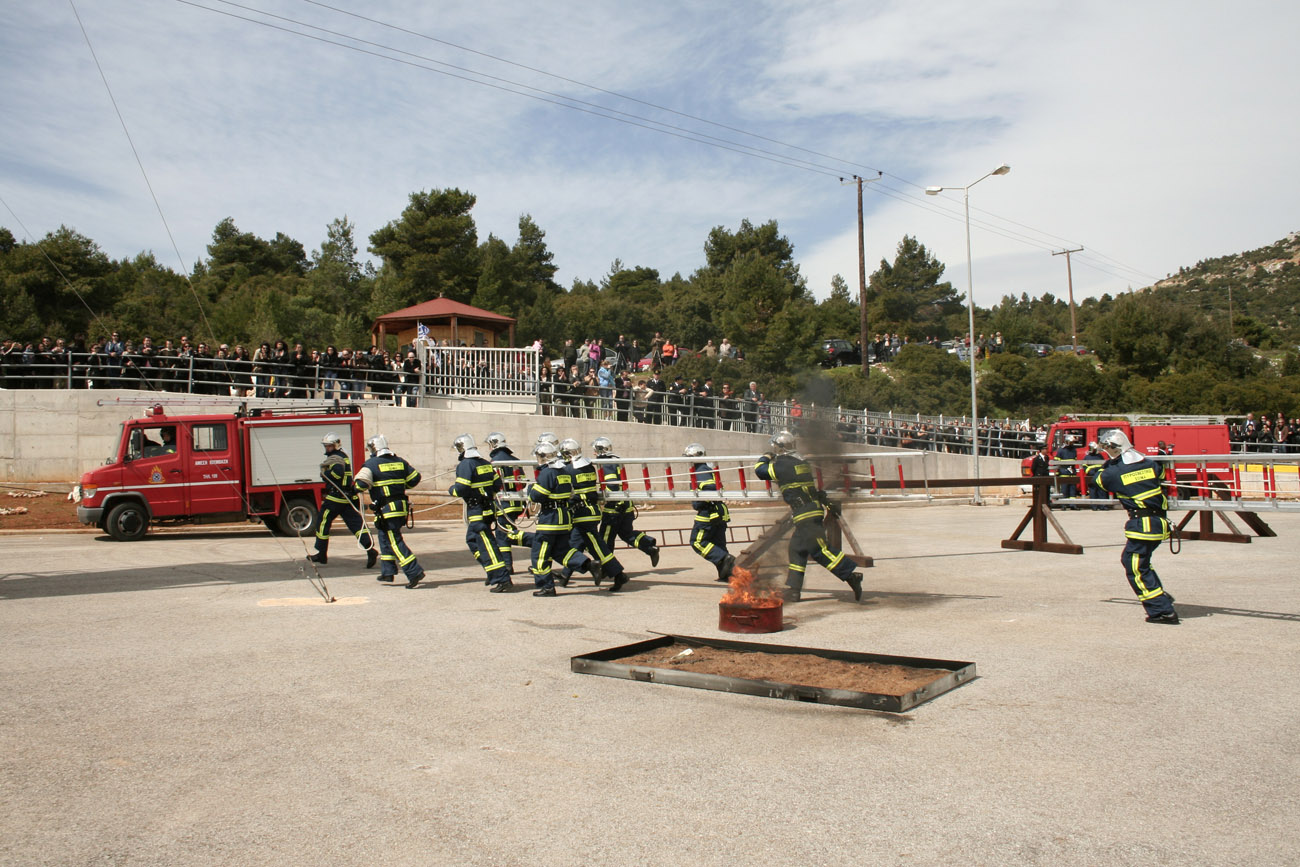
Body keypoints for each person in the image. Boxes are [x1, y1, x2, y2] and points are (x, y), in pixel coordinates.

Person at [1083, 430, 1180, 625]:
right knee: (1140, 562)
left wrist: (1104, 465)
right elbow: (1160, 473)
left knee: (1135, 566)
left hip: (1143, 525)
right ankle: (1159, 595)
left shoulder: (1114, 472)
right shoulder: (1150, 464)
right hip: (1158, 522)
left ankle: (1161, 610)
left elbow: (1097, 480)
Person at [754, 430, 863, 603]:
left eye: (775, 447)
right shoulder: (801, 462)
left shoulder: (783, 464)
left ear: (781, 448)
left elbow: (760, 471)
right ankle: (794, 590)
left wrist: (766, 456)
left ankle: (851, 575)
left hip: (805, 513)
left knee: (820, 550)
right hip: (808, 510)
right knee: (797, 549)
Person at [526, 441, 602, 596]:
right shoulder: (563, 471)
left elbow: (537, 496)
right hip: (564, 518)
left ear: (544, 457)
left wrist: (530, 489)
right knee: (561, 551)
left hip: (550, 519)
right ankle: (588, 565)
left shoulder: (547, 473)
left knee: (539, 554)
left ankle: (547, 586)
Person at [354, 434, 426, 588]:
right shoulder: (400, 461)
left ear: (373, 449)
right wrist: (400, 486)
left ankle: (414, 571)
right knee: (384, 537)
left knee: (394, 540)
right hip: (400, 507)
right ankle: (388, 572)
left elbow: (360, 485)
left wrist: (356, 488)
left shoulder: (371, 464)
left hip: (387, 510)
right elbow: (415, 478)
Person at [556, 438, 627, 592]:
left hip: (582, 514)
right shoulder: (588, 466)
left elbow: (565, 491)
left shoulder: (568, 470)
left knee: (598, 548)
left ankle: (618, 574)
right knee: (574, 544)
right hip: (591, 510)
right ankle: (565, 575)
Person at [449, 434, 511, 592]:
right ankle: (491, 570)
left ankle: (502, 578)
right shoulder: (485, 463)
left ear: (461, 449)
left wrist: (452, 490)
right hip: (488, 508)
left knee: (488, 544)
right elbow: (497, 484)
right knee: (472, 540)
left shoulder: (465, 465)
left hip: (477, 511)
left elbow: (461, 488)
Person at [307, 432, 377, 568]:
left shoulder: (336, 458)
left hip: (336, 497)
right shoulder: (343, 456)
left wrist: (325, 473)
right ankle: (370, 550)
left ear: (336, 445)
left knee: (323, 521)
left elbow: (337, 473)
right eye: (326, 446)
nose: (327, 448)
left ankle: (321, 553)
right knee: (356, 525)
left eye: (329, 446)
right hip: (347, 496)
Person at [593, 436, 660, 569]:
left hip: (614, 509)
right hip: (626, 506)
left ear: (600, 450)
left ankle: (607, 568)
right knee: (626, 534)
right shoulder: (615, 460)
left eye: (595, 450)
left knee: (605, 539)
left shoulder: (606, 463)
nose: (593, 453)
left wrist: (601, 495)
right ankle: (649, 547)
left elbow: (612, 485)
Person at [685, 443, 734, 582]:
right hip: (717, 512)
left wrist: (701, 501)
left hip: (708, 513)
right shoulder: (706, 469)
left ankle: (725, 558)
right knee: (718, 545)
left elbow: (711, 488)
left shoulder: (700, 471)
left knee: (697, 542)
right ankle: (728, 574)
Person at [485, 431, 525, 576]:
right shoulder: (515, 461)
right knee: (506, 533)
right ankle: (508, 564)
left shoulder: (494, 463)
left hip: (503, 504)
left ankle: (507, 565)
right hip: (516, 504)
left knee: (503, 535)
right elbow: (522, 483)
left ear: (493, 445)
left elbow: (492, 485)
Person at [1056, 436, 1080, 509]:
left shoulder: (1073, 450)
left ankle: (1072, 504)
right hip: (1064, 472)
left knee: (1073, 490)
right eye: (1071, 442)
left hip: (1072, 472)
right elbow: (1056, 461)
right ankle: (1064, 504)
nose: (1072, 443)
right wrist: (1058, 472)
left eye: (1072, 442)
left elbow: (1075, 460)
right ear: (1067, 442)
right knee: (1064, 490)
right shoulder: (1061, 450)